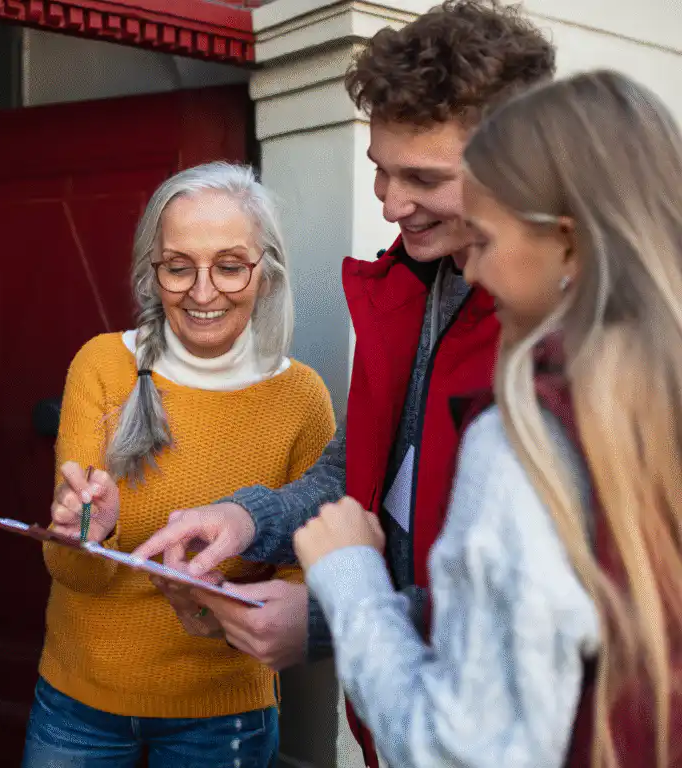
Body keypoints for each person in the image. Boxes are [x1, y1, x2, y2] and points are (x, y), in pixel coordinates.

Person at [134, 2, 555, 763]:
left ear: (520, 163)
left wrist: (331, 615)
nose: (390, 206)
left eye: (423, 177)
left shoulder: (561, 330)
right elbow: (367, 468)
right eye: (380, 172)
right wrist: (245, 518)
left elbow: (551, 606)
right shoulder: (414, 283)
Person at [295, 69, 682, 768]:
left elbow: (456, 749)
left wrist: (349, 584)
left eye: (490, 236)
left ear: (566, 243)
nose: (475, 271)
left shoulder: (523, 441)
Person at [21, 162, 336, 767]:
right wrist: (90, 531)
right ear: (153, 274)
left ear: (265, 274)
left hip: (224, 714)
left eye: (229, 265)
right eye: (178, 266)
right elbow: (74, 571)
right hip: (79, 699)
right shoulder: (101, 367)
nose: (202, 291)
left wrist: (228, 607)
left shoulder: (302, 399)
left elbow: (305, 577)